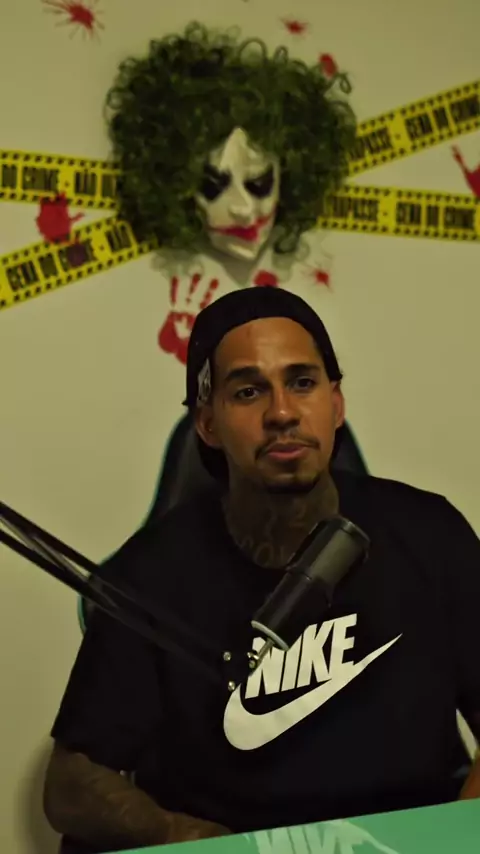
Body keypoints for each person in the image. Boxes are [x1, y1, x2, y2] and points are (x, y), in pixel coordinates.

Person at [43, 286, 480, 853]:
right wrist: (183, 835)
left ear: (336, 404)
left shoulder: (431, 534)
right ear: (207, 423)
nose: (281, 413)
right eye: (248, 391)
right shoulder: (150, 575)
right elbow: (71, 785)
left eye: (302, 382)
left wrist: (456, 834)